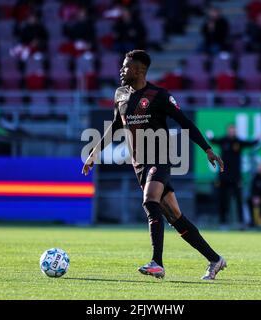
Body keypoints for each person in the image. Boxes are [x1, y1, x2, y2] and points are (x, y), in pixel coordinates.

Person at [82, 50, 227, 280]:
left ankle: (157, 263)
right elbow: (116, 127)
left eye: (126, 67)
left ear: (140, 70)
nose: (121, 70)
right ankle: (215, 259)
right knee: (175, 217)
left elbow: (185, 122)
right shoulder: (120, 95)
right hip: (139, 164)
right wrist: (94, 152)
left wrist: (207, 149)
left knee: (150, 201)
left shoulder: (159, 95)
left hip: (159, 158)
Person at [208, 125, 259, 228]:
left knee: (239, 200)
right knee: (223, 200)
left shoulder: (238, 142)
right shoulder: (223, 140)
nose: (232, 132)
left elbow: (250, 143)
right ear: (227, 131)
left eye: (233, 130)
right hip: (223, 176)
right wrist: (210, 136)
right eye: (230, 130)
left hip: (236, 177)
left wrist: (257, 139)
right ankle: (223, 222)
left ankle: (241, 223)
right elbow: (214, 141)